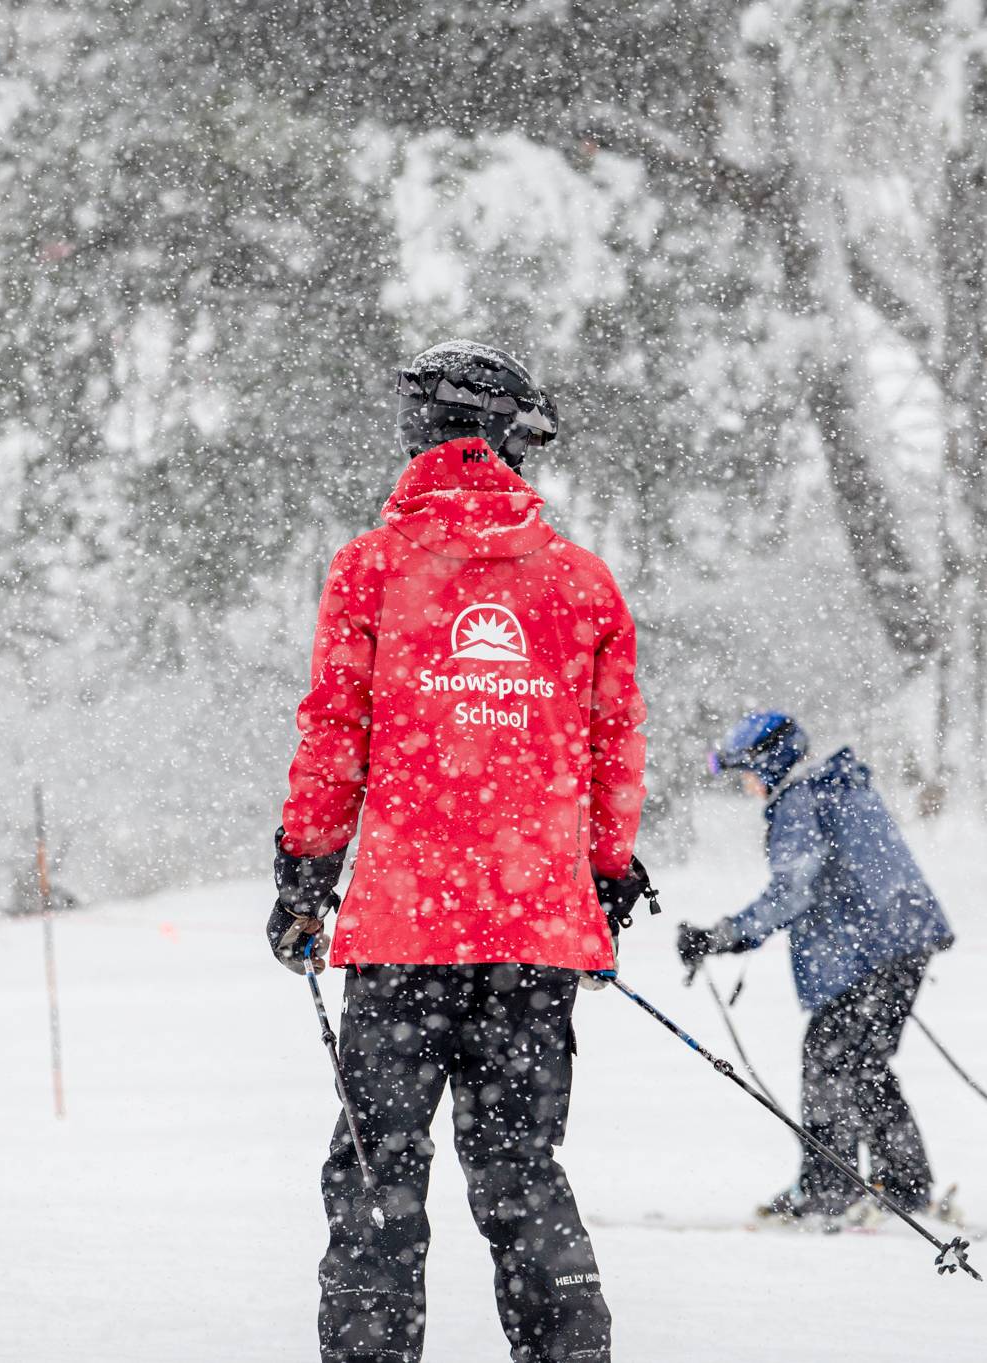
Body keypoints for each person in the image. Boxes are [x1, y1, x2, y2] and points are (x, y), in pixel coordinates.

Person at [266, 340, 650, 1363]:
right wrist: (606, 874)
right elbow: (615, 751)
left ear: (424, 435)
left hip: (402, 935)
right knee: (521, 1170)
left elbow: (333, 738)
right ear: (511, 441)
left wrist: (304, 876)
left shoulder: (370, 569)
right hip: (534, 935)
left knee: (377, 1171)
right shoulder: (581, 584)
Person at [678, 711, 954, 1221]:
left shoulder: (801, 799)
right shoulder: (838, 786)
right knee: (860, 1063)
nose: (748, 786)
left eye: (747, 772)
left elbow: (793, 890)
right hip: (899, 942)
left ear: (769, 761)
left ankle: (831, 1190)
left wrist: (723, 935)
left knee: (829, 1060)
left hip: (869, 950)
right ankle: (904, 1183)